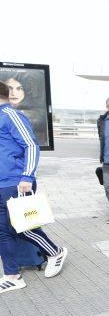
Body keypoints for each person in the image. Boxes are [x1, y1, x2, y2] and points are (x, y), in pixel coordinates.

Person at [0, 81, 68, 293]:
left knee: (22, 227)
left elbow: (30, 144)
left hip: (16, 182)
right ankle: (12, 276)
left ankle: (55, 252)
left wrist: (27, 176)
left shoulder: (10, 115)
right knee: (2, 231)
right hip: (2, 183)